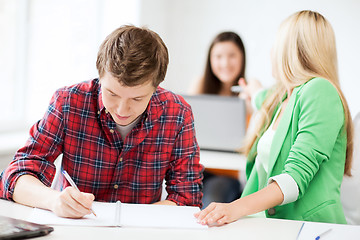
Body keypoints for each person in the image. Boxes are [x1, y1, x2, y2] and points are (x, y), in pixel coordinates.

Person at [0, 25, 203, 218]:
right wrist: (54, 201)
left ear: (157, 86)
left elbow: (187, 197)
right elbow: (14, 176)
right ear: (100, 75)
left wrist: (134, 221)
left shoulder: (177, 113)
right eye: (112, 93)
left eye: (137, 99)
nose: (122, 110)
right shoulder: (68, 102)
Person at [195, 10, 353, 225]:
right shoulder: (284, 96)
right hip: (269, 224)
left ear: (291, 50)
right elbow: (261, 96)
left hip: (306, 227)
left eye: (276, 43)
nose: (271, 51)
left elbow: (294, 179)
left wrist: (234, 208)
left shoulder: (320, 91)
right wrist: (252, 91)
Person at [190, 32, 246, 208]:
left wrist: (251, 102)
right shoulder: (199, 85)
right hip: (197, 169)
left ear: (242, 58)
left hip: (226, 175)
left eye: (231, 56)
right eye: (218, 56)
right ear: (210, 60)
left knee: (212, 201)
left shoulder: (249, 92)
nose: (225, 63)